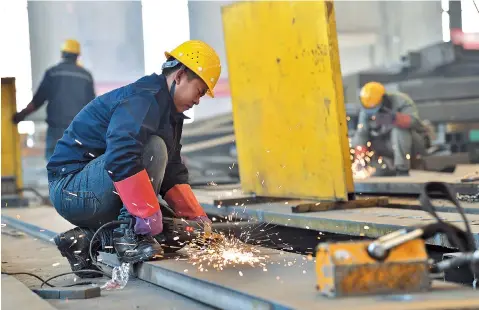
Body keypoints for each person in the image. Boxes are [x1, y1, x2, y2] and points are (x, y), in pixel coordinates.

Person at [46, 40, 221, 277]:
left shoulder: (170, 114)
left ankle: (83, 241)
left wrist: (198, 221)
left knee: (179, 230)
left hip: (102, 187)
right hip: (70, 189)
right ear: (179, 76)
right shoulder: (143, 98)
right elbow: (122, 155)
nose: (198, 100)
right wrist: (144, 214)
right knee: (153, 148)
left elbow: (172, 172)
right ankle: (130, 237)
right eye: (199, 91)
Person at [12, 39, 96, 161]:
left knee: (54, 163)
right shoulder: (86, 76)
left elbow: (38, 101)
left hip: (56, 129)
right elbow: (92, 106)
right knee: (78, 164)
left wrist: (22, 115)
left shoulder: (53, 73)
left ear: (62, 54)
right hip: (79, 130)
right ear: (77, 56)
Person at [351, 81, 428, 177]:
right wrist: (359, 161)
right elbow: (361, 135)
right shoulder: (366, 110)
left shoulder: (402, 101)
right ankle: (381, 168)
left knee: (399, 129)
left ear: (384, 99)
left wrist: (394, 119)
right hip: (387, 147)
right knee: (359, 139)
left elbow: (415, 123)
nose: (373, 113)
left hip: (413, 144)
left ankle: (402, 168)